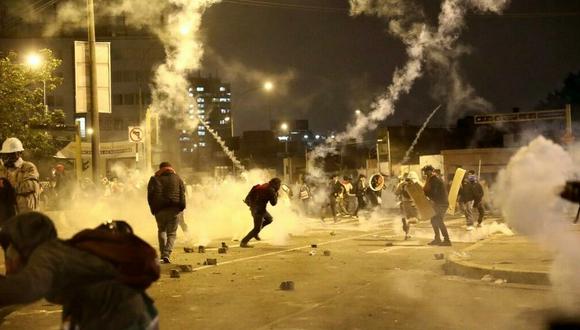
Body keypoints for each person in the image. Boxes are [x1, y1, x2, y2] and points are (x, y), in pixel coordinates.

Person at [0, 212, 159, 329]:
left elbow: (28, 288)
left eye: (10, 251)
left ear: (23, 241)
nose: (9, 258)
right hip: (132, 312)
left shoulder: (47, 253)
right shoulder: (62, 252)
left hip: (118, 314)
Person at [147, 162, 186, 264]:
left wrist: (153, 209)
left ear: (160, 169)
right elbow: (183, 193)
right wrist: (182, 206)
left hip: (159, 210)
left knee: (161, 230)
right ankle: (166, 254)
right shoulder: (178, 178)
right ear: (171, 168)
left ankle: (162, 254)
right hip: (174, 209)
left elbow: (150, 196)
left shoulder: (154, 179)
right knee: (172, 234)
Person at [0, 137, 41, 213]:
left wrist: (8, 185)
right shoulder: (3, 169)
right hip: (9, 213)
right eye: (6, 154)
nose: (8, 157)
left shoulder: (28, 167)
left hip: (26, 213)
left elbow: (31, 186)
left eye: (11, 154)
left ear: (19, 153)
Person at [240, 177, 281, 247]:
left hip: (256, 208)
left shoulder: (265, 185)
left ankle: (255, 233)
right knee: (256, 228)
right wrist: (276, 194)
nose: (279, 186)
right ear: (276, 184)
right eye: (279, 185)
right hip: (259, 210)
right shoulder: (271, 190)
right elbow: (273, 203)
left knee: (269, 219)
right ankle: (244, 242)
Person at [422, 165, 451, 246]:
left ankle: (447, 240)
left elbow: (433, 192)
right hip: (437, 202)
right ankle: (437, 239)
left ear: (431, 171)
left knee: (438, 220)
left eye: (426, 171)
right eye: (424, 171)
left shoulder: (435, 179)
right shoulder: (431, 179)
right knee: (433, 220)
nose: (425, 173)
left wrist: (424, 194)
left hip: (441, 203)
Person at [395, 172, 420, 240]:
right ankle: (407, 222)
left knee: (408, 218)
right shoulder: (416, 182)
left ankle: (407, 234)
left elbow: (396, 193)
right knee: (417, 219)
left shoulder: (402, 184)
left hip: (404, 203)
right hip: (413, 203)